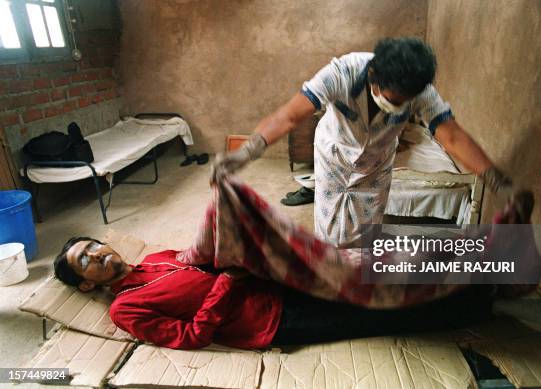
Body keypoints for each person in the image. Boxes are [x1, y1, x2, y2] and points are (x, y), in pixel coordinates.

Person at [212, 37, 515, 248]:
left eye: (405, 103)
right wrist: (247, 151)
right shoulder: (341, 73)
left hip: (377, 161)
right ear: (373, 77)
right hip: (334, 154)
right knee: (330, 227)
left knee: (368, 229)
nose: (399, 107)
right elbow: (289, 117)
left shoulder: (420, 91)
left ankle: (357, 280)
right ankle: (329, 272)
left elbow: (452, 135)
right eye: (394, 99)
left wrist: (497, 181)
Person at [53, 237, 494, 350]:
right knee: (376, 313)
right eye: (86, 261)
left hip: (268, 281)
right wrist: (227, 283)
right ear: (89, 283)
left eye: (93, 246)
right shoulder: (125, 308)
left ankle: (479, 264)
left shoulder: (159, 258)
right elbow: (191, 336)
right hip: (268, 320)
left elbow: (205, 259)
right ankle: (478, 302)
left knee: (366, 269)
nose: (97, 253)